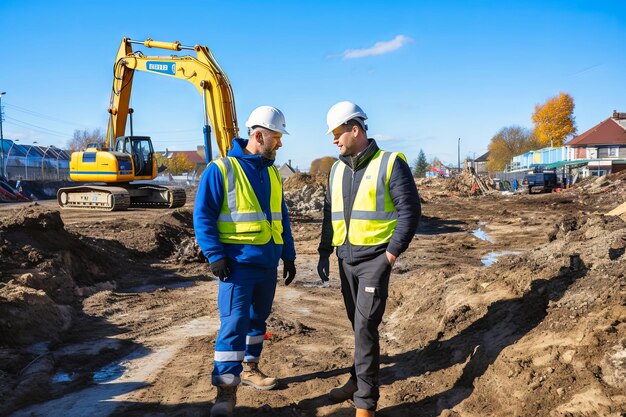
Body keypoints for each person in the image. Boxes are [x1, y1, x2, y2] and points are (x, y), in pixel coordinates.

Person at [317, 101, 421, 417]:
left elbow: (410, 211)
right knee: (357, 325)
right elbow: (328, 213)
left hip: (375, 261)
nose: (334, 140)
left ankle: (365, 403)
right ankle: (355, 379)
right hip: (345, 260)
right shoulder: (336, 169)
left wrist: (390, 255)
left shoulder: (390, 164)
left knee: (365, 327)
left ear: (355, 129)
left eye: (337, 133)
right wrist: (324, 251)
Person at [194, 105, 297, 417]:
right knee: (233, 325)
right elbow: (204, 216)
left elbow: (282, 218)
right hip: (236, 265)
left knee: (257, 321)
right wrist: (215, 255)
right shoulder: (221, 169)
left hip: (267, 263)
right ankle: (225, 392)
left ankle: (250, 368)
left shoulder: (272, 173)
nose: (279, 144)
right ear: (258, 135)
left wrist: (288, 255)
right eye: (276, 138)